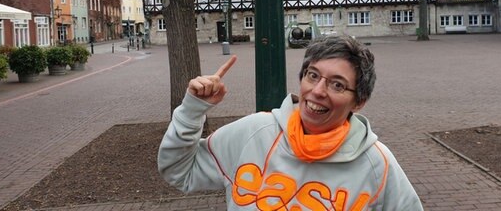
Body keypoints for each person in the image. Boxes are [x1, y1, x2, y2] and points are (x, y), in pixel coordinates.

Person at [158, 35, 423, 210]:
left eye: (337, 85)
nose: (318, 91)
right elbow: (180, 171)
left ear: (359, 102)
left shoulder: (376, 164)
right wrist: (192, 109)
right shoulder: (254, 133)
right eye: (312, 75)